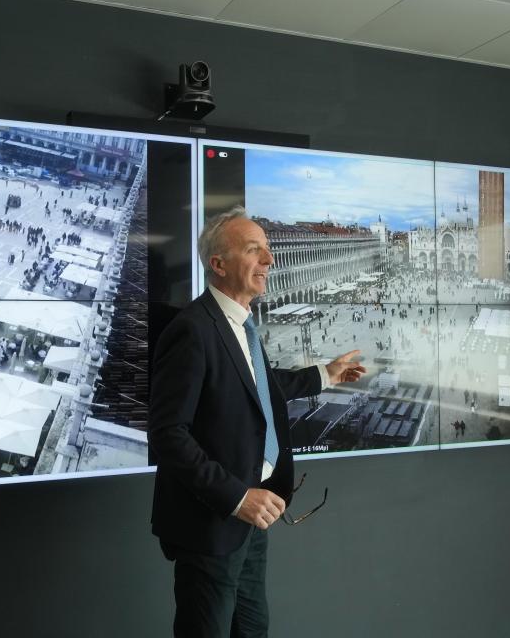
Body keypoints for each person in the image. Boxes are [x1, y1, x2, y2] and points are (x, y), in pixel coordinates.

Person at [148, 208, 366, 637]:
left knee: (252, 628)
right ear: (219, 264)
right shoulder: (192, 329)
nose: (269, 260)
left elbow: (261, 387)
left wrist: (325, 374)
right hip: (212, 520)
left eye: (268, 250)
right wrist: (236, 497)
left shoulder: (241, 326)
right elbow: (167, 433)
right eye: (255, 251)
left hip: (252, 515)